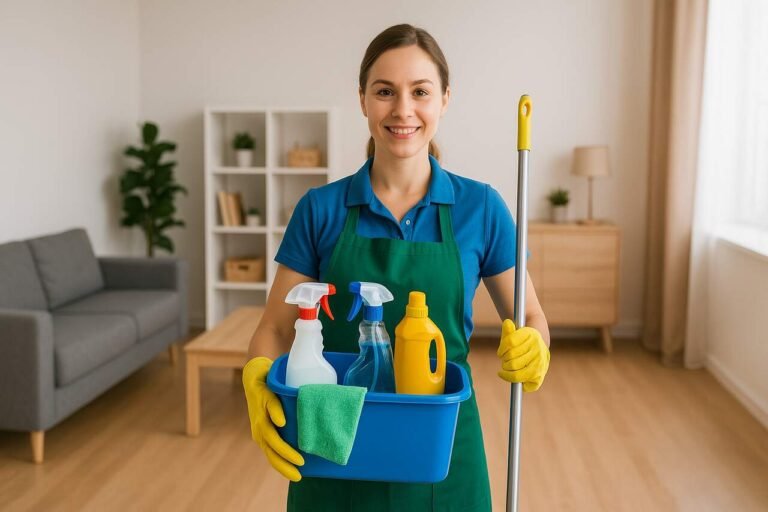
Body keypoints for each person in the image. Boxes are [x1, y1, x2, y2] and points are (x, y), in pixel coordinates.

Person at [242, 23, 550, 512]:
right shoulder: (321, 209)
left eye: (420, 92)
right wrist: (259, 377)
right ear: (363, 99)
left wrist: (534, 346)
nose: (403, 109)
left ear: (444, 99)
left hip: (441, 448)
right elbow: (276, 328)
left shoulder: (482, 208)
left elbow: (530, 315)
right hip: (333, 443)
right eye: (385, 91)